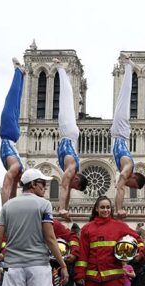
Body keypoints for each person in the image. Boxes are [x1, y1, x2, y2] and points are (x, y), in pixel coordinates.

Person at [112, 53, 145, 219]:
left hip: (119, 132)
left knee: (122, 99)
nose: (130, 187)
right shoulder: (128, 168)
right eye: (133, 186)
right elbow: (120, 187)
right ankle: (128, 66)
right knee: (124, 98)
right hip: (121, 131)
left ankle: (128, 67)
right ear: (135, 179)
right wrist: (119, 209)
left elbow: (121, 187)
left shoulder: (127, 167)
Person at [53, 58, 87, 219]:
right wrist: (62, 209)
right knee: (66, 99)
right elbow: (64, 186)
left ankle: (61, 71)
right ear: (78, 179)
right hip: (68, 132)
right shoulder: (72, 169)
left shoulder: (72, 170)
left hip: (68, 133)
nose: (72, 187)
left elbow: (66, 188)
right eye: (76, 186)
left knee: (66, 102)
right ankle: (61, 68)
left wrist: (64, 209)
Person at [0, 58, 27, 205]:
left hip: (12, 135)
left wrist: (10, 207)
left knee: (15, 103)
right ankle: (18, 71)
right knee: (11, 101)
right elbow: (6, 186)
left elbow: (13, 193)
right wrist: (5, 208)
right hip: (8, 134)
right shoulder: (16, 167)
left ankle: (21, 75)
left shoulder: (17, 168)